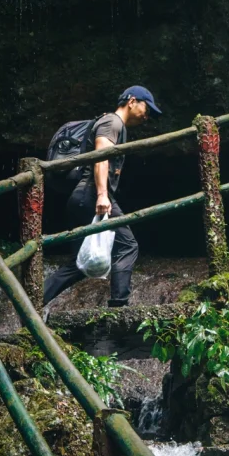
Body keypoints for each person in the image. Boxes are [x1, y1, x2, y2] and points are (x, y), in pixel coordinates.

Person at [43, 86, 162, 310]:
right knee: (127, 246)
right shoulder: (112, 123)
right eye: (147, 109)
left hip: (79, 199)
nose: (147, 117)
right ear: (132, 101)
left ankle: (32, 301)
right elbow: (101, 158)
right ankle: (118, 308)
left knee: (80, 263)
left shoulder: (112, 123)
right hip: (91, 196)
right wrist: (102, 195)